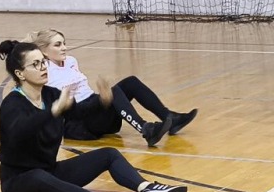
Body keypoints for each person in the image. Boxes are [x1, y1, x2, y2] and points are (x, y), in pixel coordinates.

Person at [0, 40, 186, 192]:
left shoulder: (51, 94)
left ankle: (147, 189)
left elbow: (79, 113)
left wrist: (103, 100)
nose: (43, 67)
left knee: (108, 154)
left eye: (43, 62)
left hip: (50, 171)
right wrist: (52, 111)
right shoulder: (12, 104)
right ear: (20, 74)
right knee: (40, 177)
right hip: (18, 184)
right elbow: (22, 130)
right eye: (35, 64)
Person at [23, 29, 196, 147]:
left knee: (130, 82)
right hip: (80, 123)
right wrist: (103, 99)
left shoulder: (71, 61)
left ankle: (170, 118)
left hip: (96, 110)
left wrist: (102, 99)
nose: (64, 48)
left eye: (64, 43)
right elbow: (69, 111)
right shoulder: (44, 72)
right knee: (114, 92)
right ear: (44, 51)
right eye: (58, 45)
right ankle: (146, 130)